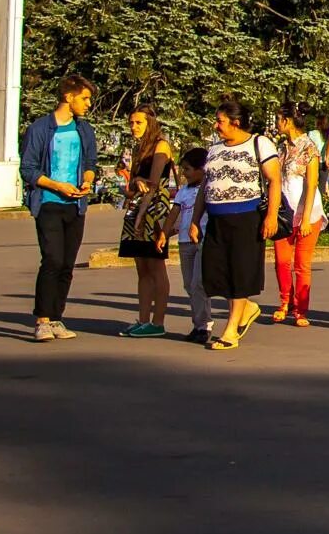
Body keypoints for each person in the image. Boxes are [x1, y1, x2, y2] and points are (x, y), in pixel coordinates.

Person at [194, 97, 280, 351]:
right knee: (216, 272)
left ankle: (231, 329)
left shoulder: (259, 143)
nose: (216, 125)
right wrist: (196, 219)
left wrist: (271, 216)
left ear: (236, 122)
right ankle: (248, 309)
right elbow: (204, 186)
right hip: (217, 219)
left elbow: (274, 180)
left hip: (246, 217)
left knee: (239, 273)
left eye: (220, 121)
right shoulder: (215, 148)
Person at [20, 74, 99, 342]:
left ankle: (56, 318)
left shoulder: (84, 129)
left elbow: (90, 163)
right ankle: (42, 319)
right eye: (85, 98)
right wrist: (57, 186)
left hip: (76, 205)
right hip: (50, 203)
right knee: (52, 259)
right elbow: (28, 169)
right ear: (69, 97)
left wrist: (87, 181)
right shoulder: (41, 128)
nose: (88, 104)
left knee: (66, 263)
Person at [116, 106, 175, 338]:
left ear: (150, 123)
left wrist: (139, 185)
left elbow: (152, 183)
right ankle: (142, 319)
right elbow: (132, 187)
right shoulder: (138, 148)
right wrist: (132, 185)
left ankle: (157, 322)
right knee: (141, 268)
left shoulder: (161, 146)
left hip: (153, 210)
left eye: (138, 123)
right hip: (136, 209)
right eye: (131, 123)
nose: (134, 127)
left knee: (156, 265)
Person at [273, 103, 325, 326]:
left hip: (307, 214)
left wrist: (305, 218)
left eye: (278, 119)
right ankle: (285, 302)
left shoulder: (309, 147)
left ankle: (301, 310)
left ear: (287, 121)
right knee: (281, 261)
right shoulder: (282, 147)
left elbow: (311, 184)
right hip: (283, 213)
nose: (276, 124)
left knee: (301, 264)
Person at [171, 149, 211, 343]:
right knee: (189, 284)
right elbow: (175, 213)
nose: (184, 173)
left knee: (198, 283)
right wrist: (164, 232)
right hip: (184, 242)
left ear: (201, 169)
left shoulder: (208, 189)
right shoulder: (183, 191)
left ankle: (203, 326)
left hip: (202, 240)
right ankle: (198, 325)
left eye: (187, 169)